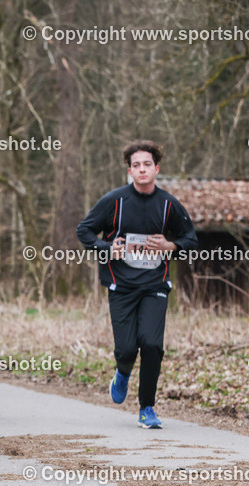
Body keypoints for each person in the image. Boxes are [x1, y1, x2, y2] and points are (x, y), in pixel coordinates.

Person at [76, 140, 198, 429]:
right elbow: (85, 230)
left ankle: (147, 408)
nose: (141, 170)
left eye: (147, 164)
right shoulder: (114, 201)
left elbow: (191, 240)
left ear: (157, 168)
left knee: (153, 345)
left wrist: (170, 245)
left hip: (155, 284)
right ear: (129, 170)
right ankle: (122, 372)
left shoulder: (168, 204)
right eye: (136, 165)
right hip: (121, 285)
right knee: (128, 349)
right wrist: (106, 248)